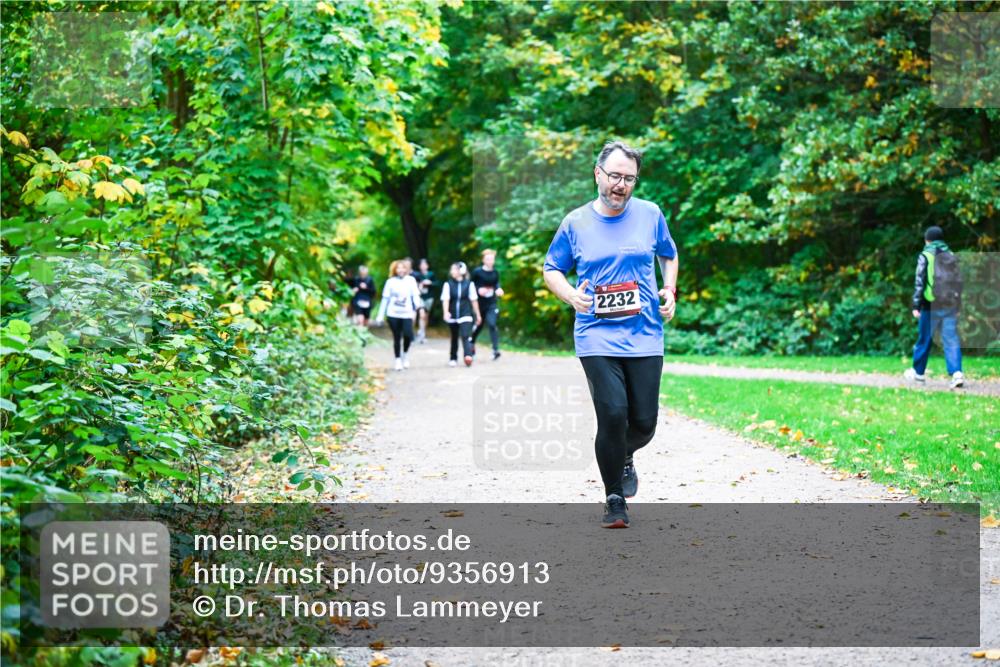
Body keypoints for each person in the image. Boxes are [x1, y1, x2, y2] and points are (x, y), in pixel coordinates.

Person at [543, 140, 678, 529]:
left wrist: (669, 290)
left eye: (629, 179)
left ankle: (622, 454)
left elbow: (668, 254)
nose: (621, 185)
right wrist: (570, 295)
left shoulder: (650, 214)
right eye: (615, 176)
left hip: (645, 333)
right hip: (595, 333)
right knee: (614, 413)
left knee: (644, 423)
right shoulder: (576, 222)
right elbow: (552, 268)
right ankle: (614, 497)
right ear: (598, 174)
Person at [905, 226, 964, 388]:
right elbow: (958, 282)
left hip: (929, 305)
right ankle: (957, 373)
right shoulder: (951, 255)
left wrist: (916, 304)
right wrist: (958, 305)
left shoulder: (925, 255)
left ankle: (919, 373)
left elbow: (920, 281)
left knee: (924, 339)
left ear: (927, 240)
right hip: (950, 305)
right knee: (951, 339)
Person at [375, 259, 423, 371]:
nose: (401, 270)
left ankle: (405, 354)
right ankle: (397, 359)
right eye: (398, 268)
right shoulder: (390, 282)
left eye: (403, 267)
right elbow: (385, 299)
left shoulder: (411, 280)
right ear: (395, 270)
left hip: (407, 313)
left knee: (408, 335)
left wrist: (417, 305)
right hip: (393, 314)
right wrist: (380, 315)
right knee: (397, 337)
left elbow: (415, 295)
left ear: (406, 269)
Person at [441, 261, 482, 367]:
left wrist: (478, 314)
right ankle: (453, 357)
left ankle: (468, 356)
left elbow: (474, 300)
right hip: (453, 315)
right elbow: (446, 299)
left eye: (454, 269)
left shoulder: (469, 284)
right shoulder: (448, 284)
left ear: (461, 271)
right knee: (454, 336)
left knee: (465, 335)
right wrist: (446, 312)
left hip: (466, 314)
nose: (452, 272)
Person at [471, 249, 504, 360]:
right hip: (479, 304)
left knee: (492, 324)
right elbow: (470, 285)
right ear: (483, 260)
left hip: (491, 303)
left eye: (492, 259)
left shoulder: (495, 273)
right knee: (479, 326)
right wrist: (478, 289)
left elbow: (496, 284)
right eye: (488, 259)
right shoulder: (477, 272)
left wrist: (499, 289)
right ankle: (471, 343)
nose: (490, 261)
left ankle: (495, 350)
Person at [412, 258, 437, 344]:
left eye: (424, 264)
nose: (423, 266)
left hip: (429, 297)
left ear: (427, 266)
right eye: (421, 265)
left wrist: (430, 283)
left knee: (426, 316)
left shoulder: (431, 274)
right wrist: (420, 285)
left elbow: (437, 283)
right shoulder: (417, 275)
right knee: (421, 314)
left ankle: (423, 332)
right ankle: (421, 333)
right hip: (420, 297)